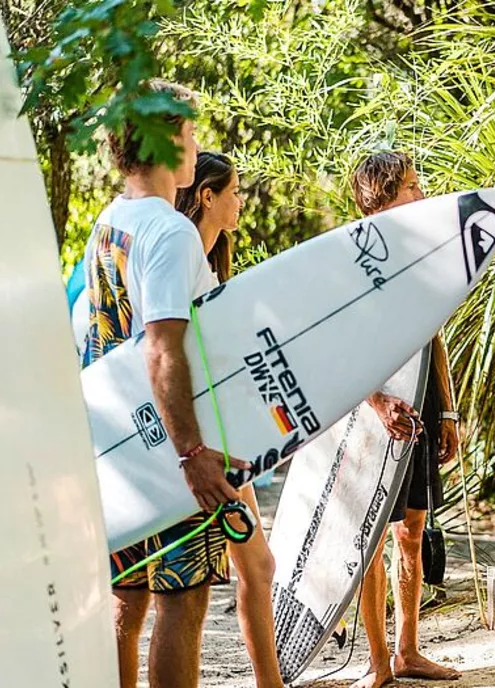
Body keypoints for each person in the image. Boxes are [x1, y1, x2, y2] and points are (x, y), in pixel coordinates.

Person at [81, 80, 250, 688]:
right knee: (183, 604)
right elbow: (164, 347)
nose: (195, 145)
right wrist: (193, 454)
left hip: (119, 449)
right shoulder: (171, 231)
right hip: (169, 452)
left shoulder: (110, 221)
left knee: (127, 605)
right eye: (189, 132)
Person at [349, 151, 462, 688]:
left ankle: (407, 651)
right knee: (371, 539)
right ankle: (376, 662)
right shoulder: (354, 260)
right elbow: (337, 349)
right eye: (412, 187)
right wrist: (375, 402)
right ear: (382, 196)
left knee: (412, 531)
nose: (422, 195)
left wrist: (449, 412)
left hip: (421, 408)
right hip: (373, 418)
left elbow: (434, 336)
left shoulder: (420, 258)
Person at [174, 151, 283, 688]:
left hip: (222, 439)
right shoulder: (183, 256)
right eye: (234, 191)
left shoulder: (208, 261)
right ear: (207, 196)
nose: (241, 200)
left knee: (256, 567)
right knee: (247, 570)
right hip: (202, 446)